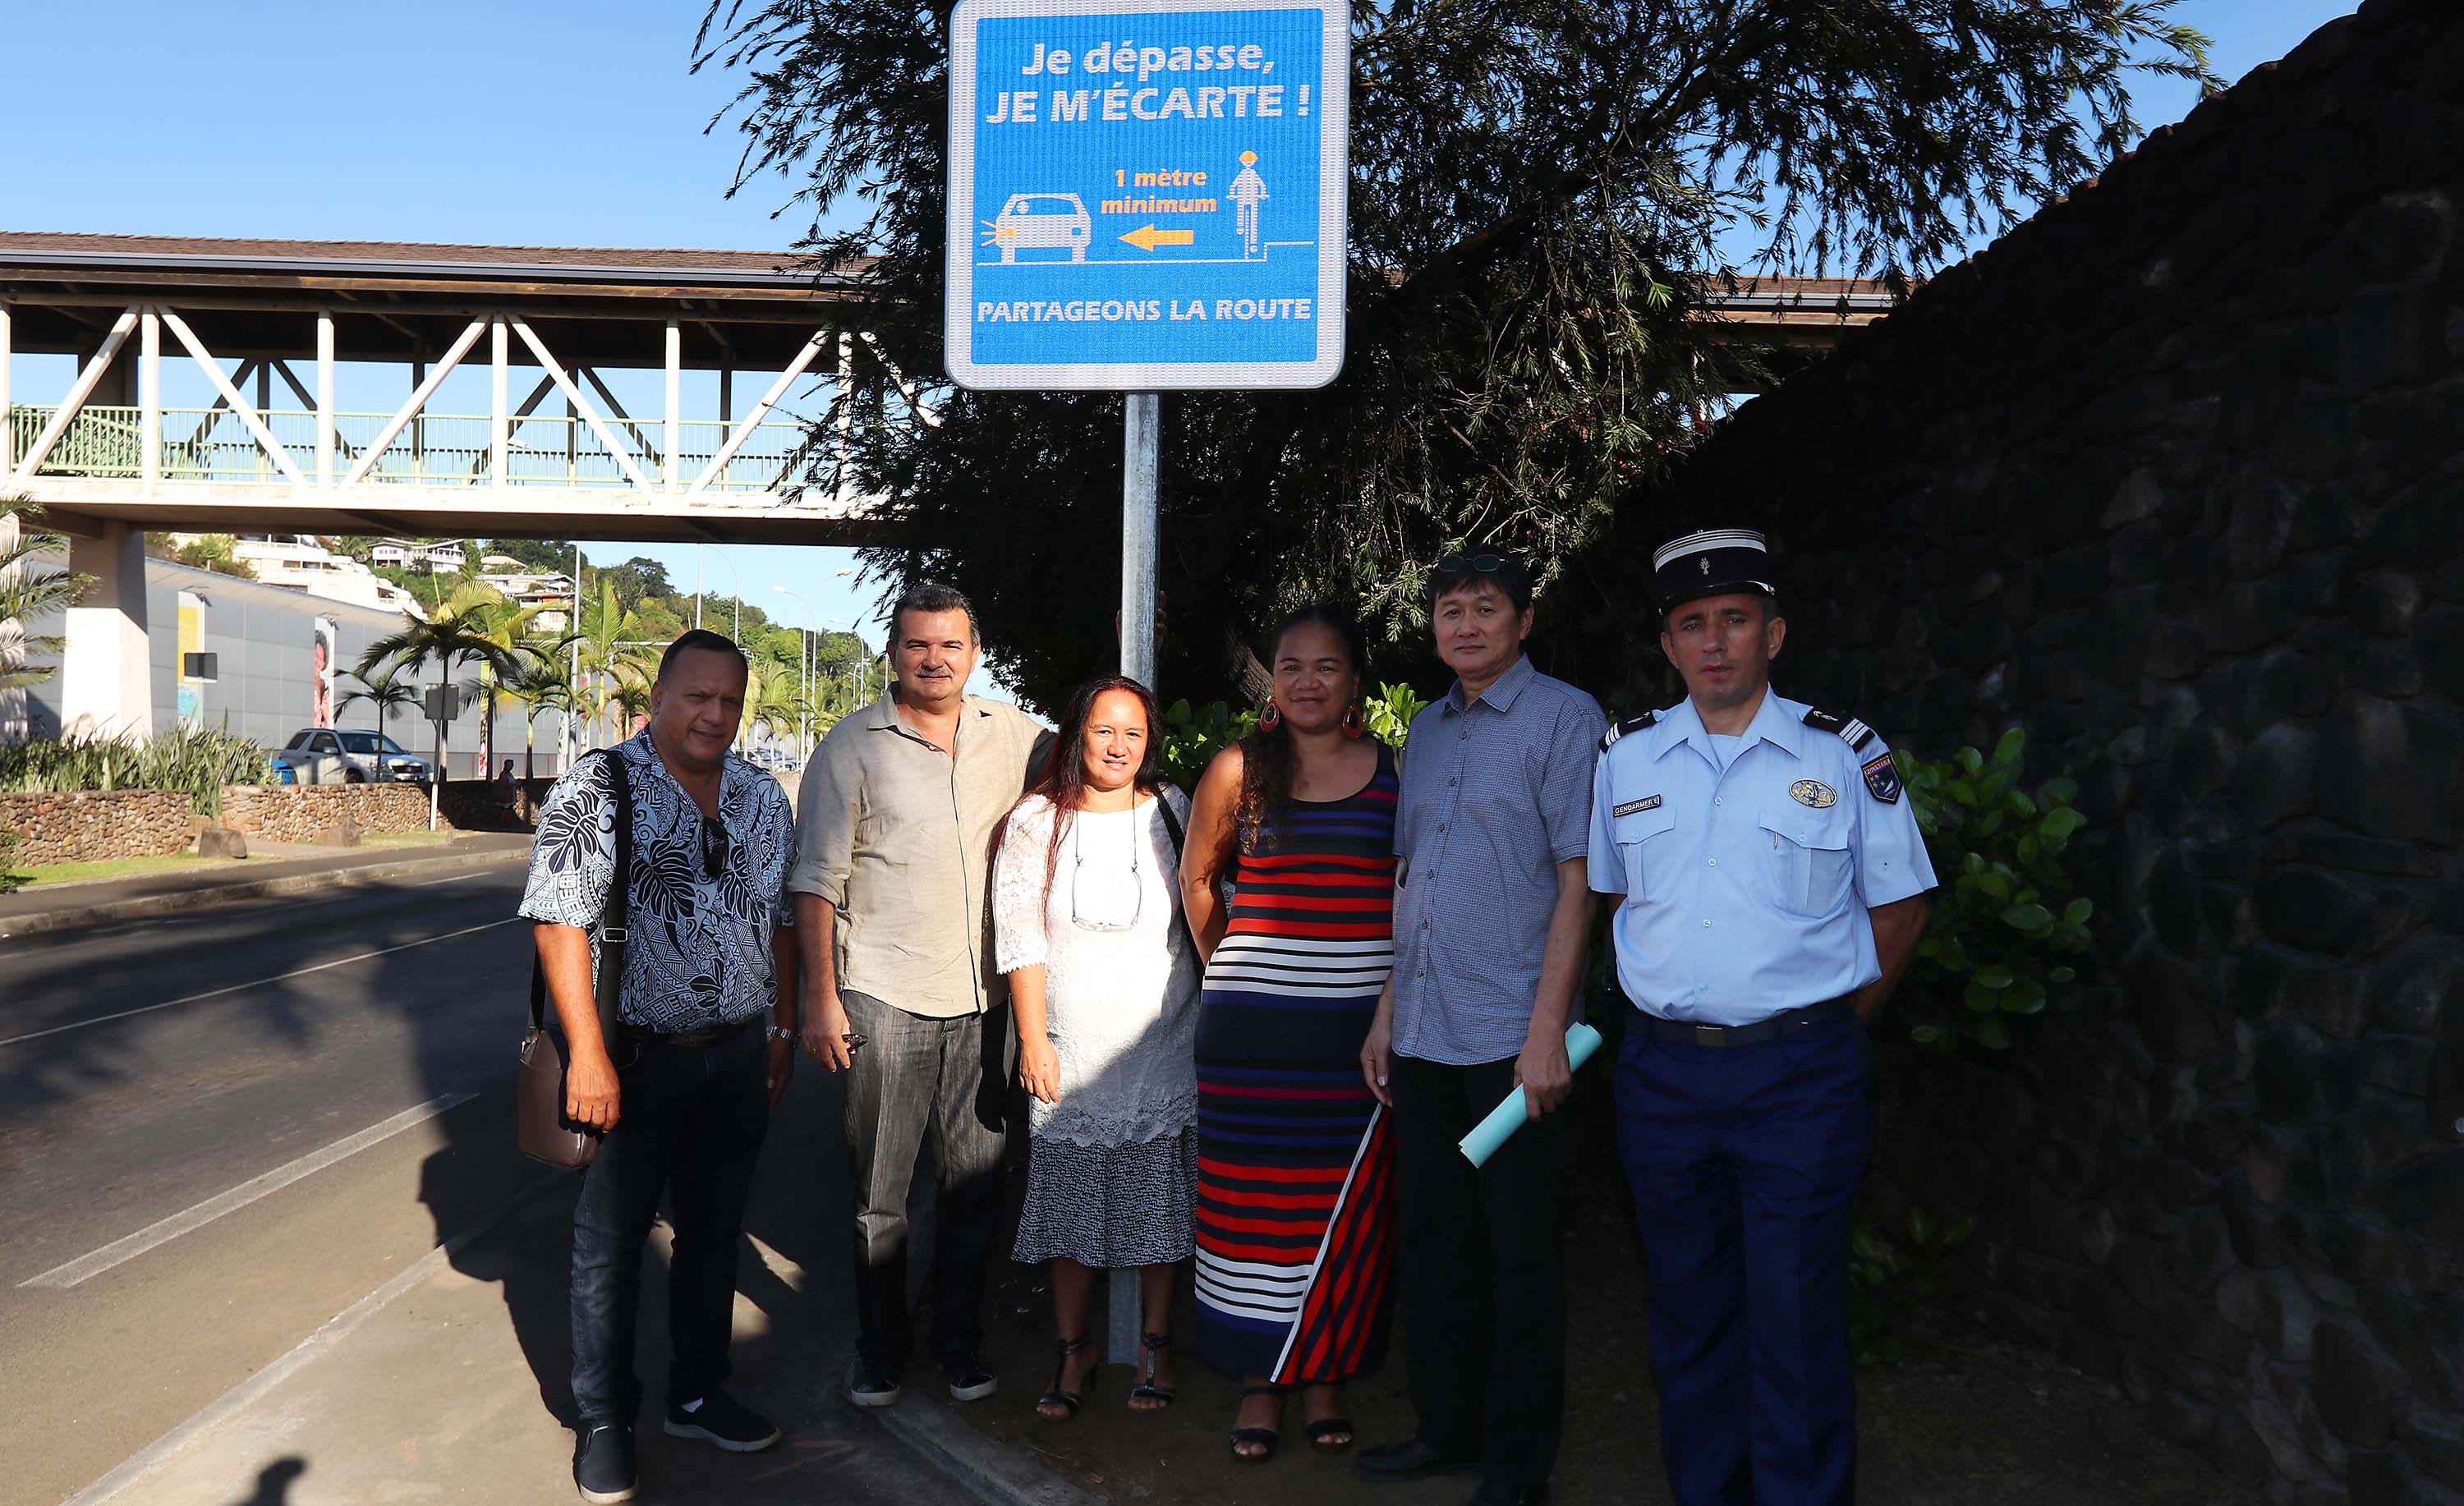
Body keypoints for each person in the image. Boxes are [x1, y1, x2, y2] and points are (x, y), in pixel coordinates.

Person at [1588, 528, 1936, 1506]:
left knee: (1793, 1320)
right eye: (1691, 624)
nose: (1713, 641)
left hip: (1801, 1082)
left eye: (1734, 619)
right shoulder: (1626, 758)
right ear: (1667, 645)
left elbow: (1901, 906)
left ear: (1773, 634)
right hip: (1663, 1081)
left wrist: (1824, 1027)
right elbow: (1621, 903)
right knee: (1689, 1317)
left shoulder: (1844, 753)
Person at [519, 629, 801, 1506]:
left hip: (737, 1053)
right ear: (663, 697)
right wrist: (589, 1056)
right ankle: (604, 1417)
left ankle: (696, 1391)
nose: (714, 714)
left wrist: (783, 1029)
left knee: (714, 1234)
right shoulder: (599, 786)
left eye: (729, 700)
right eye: (697, 697)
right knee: (610, 1244)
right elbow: (559, 921)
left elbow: (782, 918)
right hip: (634, 1060)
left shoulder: (762, 796)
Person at [1356, 553, 1605, 1506]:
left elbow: (1581, 881)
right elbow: (1409, 880)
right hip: (1422, 1038)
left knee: (1521, 1261)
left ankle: (1516, 1466)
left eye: (1485, 609)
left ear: (1524, 620)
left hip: (1514, 1047)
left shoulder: (1564, 718)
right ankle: (1445, 1431)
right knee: (1436, 1246)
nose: (1465, 625)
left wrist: (1550, 1033)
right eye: (1449, 609)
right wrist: (1386, 1013)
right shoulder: (1425, 726)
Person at [789, 581, 1051, 1409]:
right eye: (917, 644)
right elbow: (815, 884)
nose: (934, 659)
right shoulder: (851, 746)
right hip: (884, 997)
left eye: (950, 645)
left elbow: (1098, 757)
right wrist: (819, 1000)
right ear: (892, 652)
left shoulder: (1013, 735)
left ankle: (959, 1342)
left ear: (975, 654)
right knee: (881, 1197)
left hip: (986, 1004)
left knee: (976, 1191)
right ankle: (879, 1347)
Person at [1182, 604, 1399, 1463]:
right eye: (1292, 665)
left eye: (1328, 665)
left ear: (1355, 679)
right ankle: (1258, 1381)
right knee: (1249, 1212)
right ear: (1274, 677)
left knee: (1337, 1212)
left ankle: (1327, 1373)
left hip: (1356, 1041)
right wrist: (1230, 970)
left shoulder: (1396, 772)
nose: (1308, 680)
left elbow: (1410, 894)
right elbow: (1199, 881)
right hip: (1249, 1040)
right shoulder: (1239, 769)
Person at [991, 675, 1201, 1420]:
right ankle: (1073, 1353)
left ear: (1150, 743)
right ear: (1078, 733)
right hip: (1069, 1051)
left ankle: (1155, 1347)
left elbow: (1208, 909)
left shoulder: (1173, 810)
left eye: (1134, 733)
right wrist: (1032, 1040)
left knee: (1158, 1213)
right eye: (1104, 730)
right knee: (1071, 1217)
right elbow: (1019, 938)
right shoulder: (1035, 821)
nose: (1118, 746)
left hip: (1163, 1043)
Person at [496, 757, 522, 826]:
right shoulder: (503, 774)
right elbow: (504, 784)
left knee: (509, 810)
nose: (511, 767)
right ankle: (503, 824)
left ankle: (507, 823)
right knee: (504, 810)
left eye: (512, 765)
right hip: (505, 796)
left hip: (510, 796)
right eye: (509, 765)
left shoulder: (510, 774)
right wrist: (514, 784)